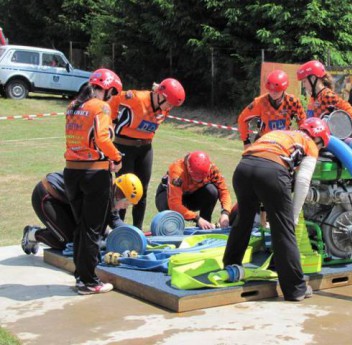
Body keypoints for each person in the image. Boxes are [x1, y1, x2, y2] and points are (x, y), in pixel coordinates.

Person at [223, 118, 331, 302]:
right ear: (319, 139)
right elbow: (303, 181)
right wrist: (293, 216)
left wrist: (264, 207)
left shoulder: (280, 133)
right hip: (272, 172)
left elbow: (260, 162)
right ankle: (295, 289)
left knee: (243, 220)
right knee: (284, 230)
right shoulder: (310, 144)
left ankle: (230, 267)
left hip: (243, 169)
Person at [64, 68, 123, 295]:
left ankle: (81, 275)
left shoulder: (73, 106)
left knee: (81, 226)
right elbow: (103, 138)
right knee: (92, 229)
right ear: (106, 89)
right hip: (94, 174)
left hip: (72, 172)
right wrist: (116, 157)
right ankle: (89, 281)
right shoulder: (100, 107)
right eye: (113, 92)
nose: (112, 97)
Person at [109, 78, 185, 230]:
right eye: (169, 103)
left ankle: (137, 229)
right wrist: (112, 120)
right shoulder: (136, 98)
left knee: (141, 191)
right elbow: (114, 98)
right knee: (124, 190)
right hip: (124, 147)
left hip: (145, 149)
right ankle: (118, 229)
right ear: (160, 95)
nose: (169, 107)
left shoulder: (165, 107)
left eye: (172, 105)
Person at [21, 172, 143, 254]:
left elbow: (115, 221)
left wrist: (135, 235)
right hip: (46, 196)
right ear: (120, 195)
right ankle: (32, 234)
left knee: (91, 234)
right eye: (127, 203)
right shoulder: (101, 193)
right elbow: (89, 229)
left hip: (66, 200)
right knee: (69, 242)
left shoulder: (111, 191)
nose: (126, 206)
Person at [155, 151, 232, 230]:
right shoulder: (177, 171)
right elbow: (174, 203)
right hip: (168, 197)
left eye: (202, 178)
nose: (198, 180)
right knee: (171, 225)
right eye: (195, 177)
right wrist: (196, 218)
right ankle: (170, 229)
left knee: (211, 191)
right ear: (188, 169)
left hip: (191, 195)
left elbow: (224, 191)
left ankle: (205, 226)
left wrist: (225, 213)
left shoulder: (212, 169)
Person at [238, 69, 307, 150]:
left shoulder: (293, 102)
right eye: (270, 90)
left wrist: (301, 140)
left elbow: (303, 122)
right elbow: (242, 119)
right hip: (264, 141)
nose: (273, 93)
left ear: (283, 89)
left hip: (284, 143)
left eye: (277, 91)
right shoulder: (259, 102)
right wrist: (246, 141)